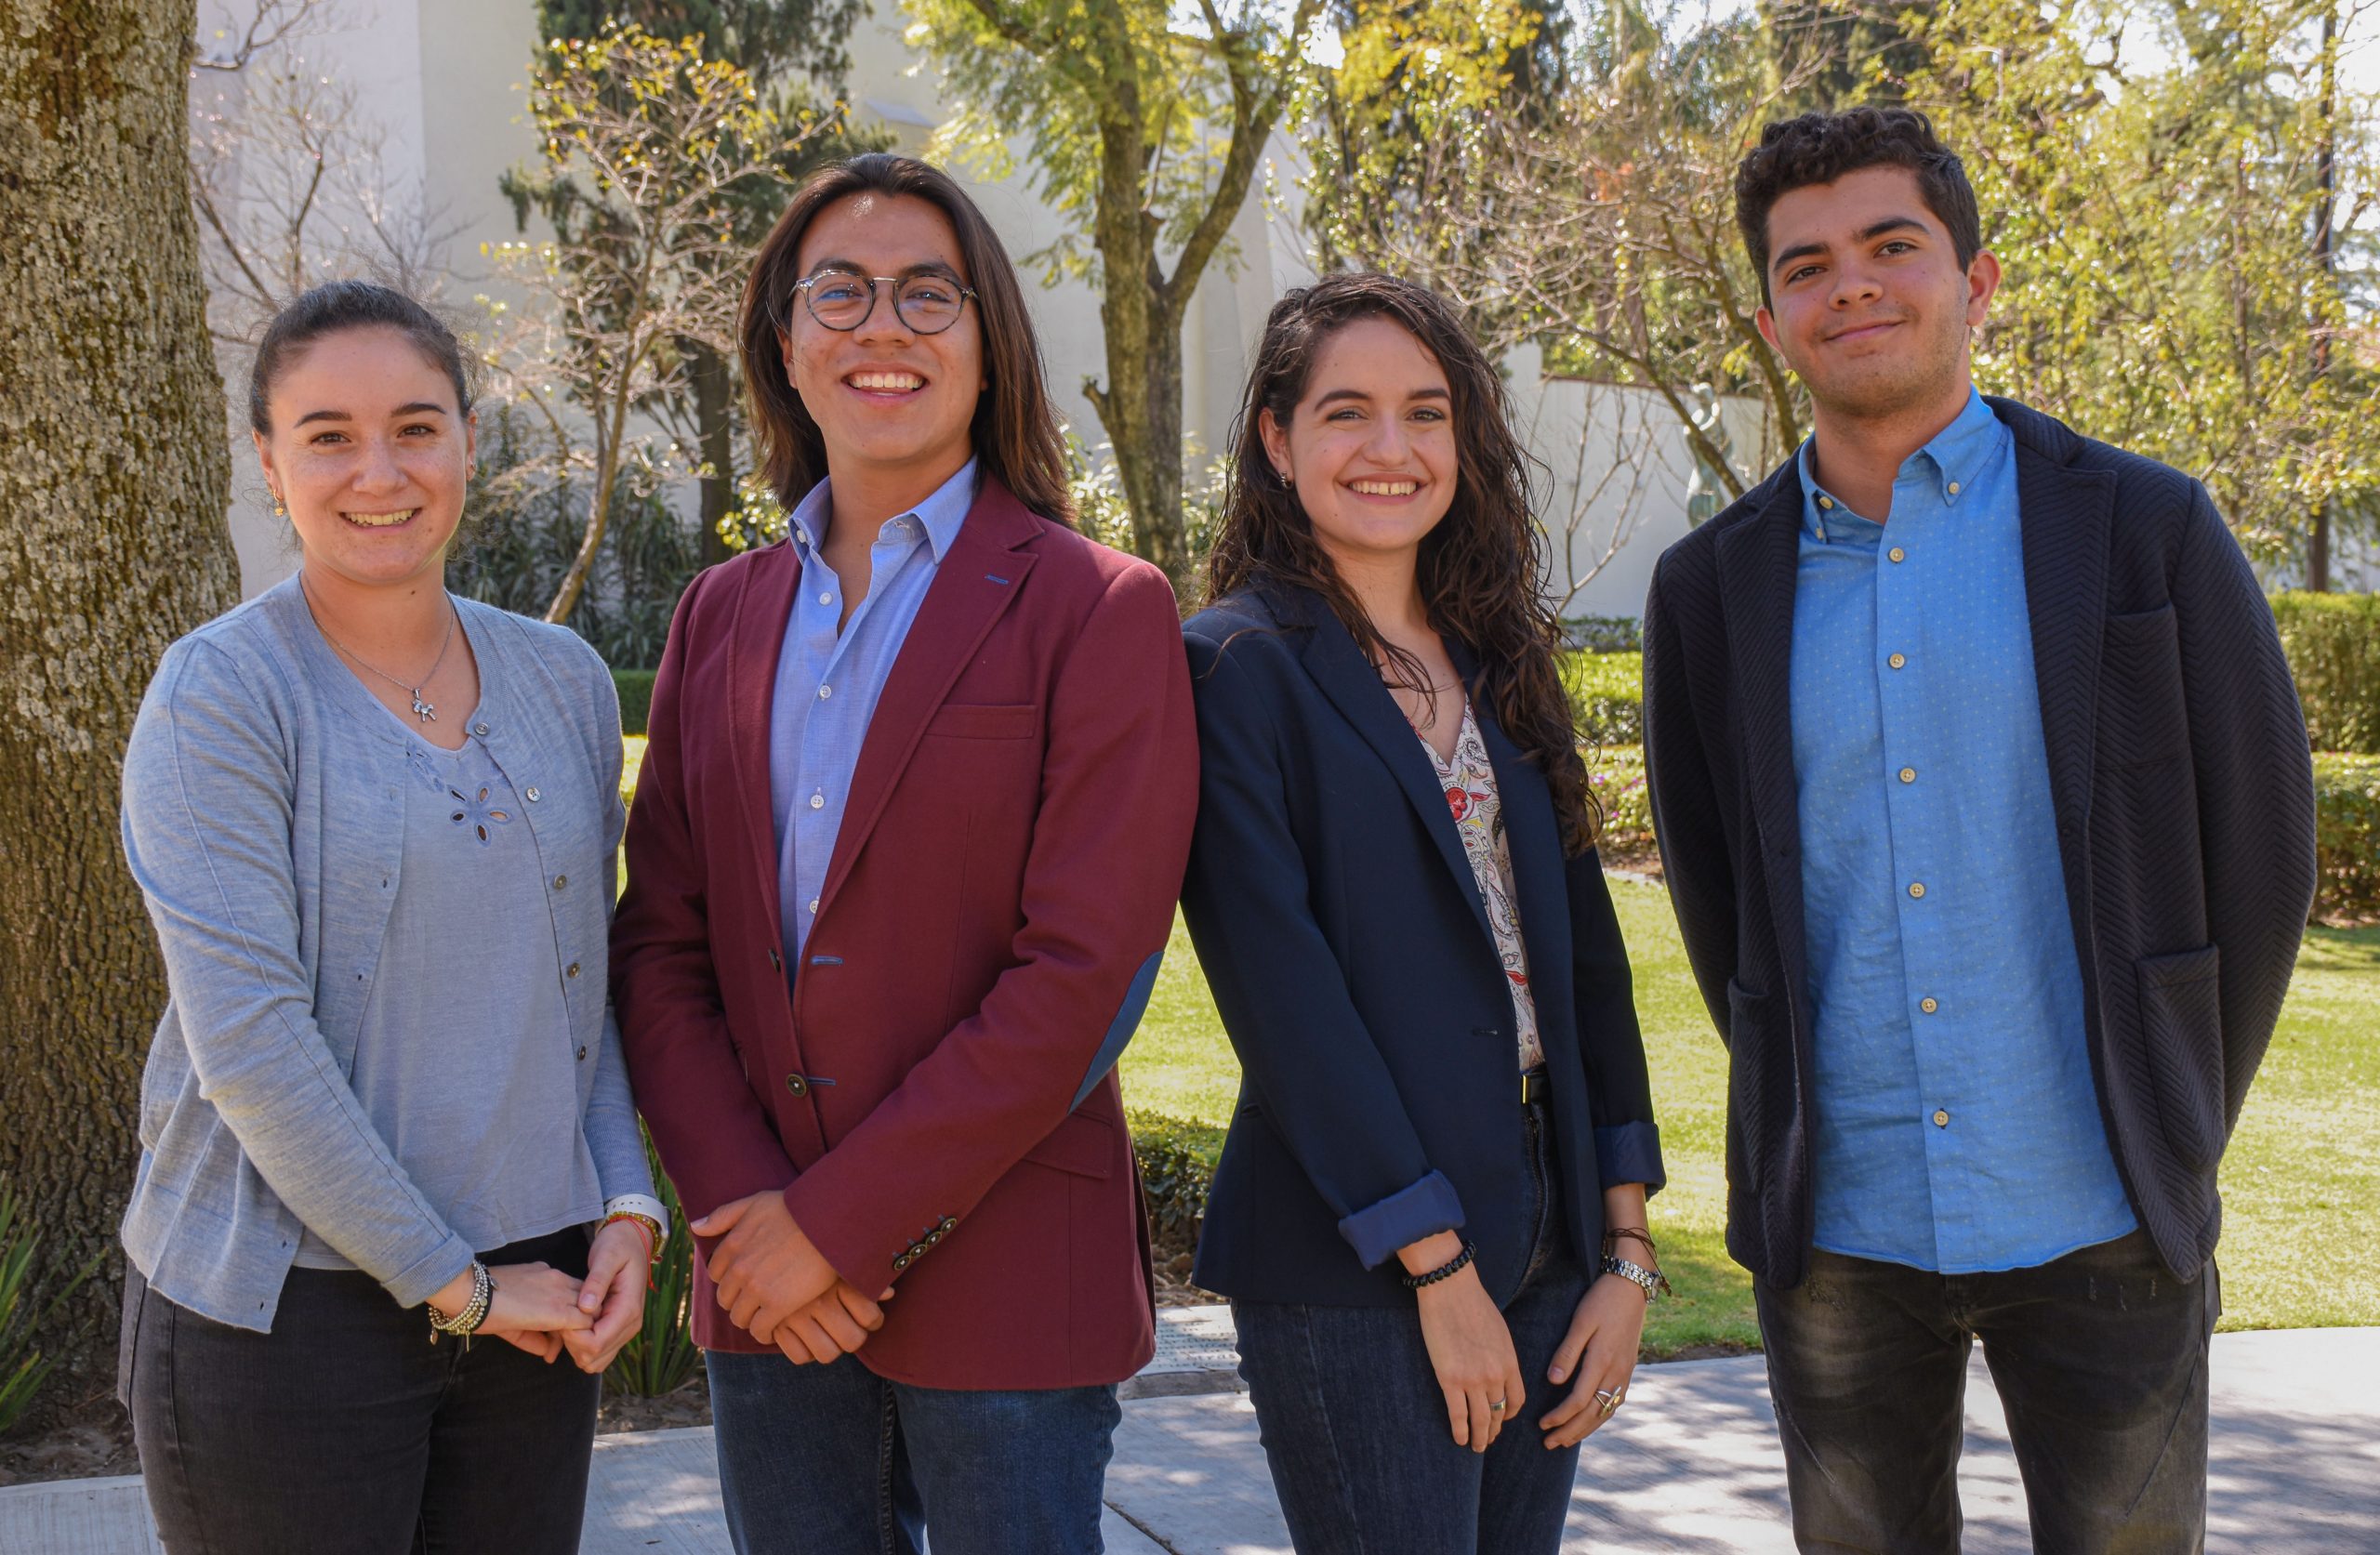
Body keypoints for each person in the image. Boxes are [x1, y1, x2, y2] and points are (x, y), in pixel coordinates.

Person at [1641, 107, 2319, 1553]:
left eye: (1895, 246)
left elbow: (2262, 862)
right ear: (1771, 318)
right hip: (1841, 1226)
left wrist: (2178, 1105)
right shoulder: (1709, 588)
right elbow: (1718, 893)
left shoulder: (2148, 532)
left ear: (1980, 281)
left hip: (2107, 1203)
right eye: (1808, 265)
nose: (1854, 287)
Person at [610, 152, 1198, 1555]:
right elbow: (661, 945)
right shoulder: (716, 616)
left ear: (990, 344)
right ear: (788, 345)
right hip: (764, 1286)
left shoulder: (1098, 608)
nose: (885, 326)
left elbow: (1079, 977)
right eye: (842, 293)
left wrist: (839, 1223)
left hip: (1005, 1275)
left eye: (929, 293)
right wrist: (754, 1212)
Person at [116, 280, 664, 1555]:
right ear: (268, 460)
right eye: (328, 435)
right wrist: (456, 1283)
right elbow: (250, 1046)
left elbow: (582, 995)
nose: (381, 470)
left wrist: (626, 1206)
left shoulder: (563, 680)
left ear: (468, 440)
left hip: (537, 1299)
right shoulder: (221, 698)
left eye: (417, 426)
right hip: (285, 1325)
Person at [1177, 272, 1669, 1554]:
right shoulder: (1234, 668)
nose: (1391, 449)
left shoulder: (1501, 657)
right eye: (1347, 413)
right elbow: (1285, 1001)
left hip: (1551, 1227)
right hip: (1357, 1255)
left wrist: (1624, 1251)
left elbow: (1590, 968)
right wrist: (1438, 1268)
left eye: (1425, 412)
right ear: (1278, 443)